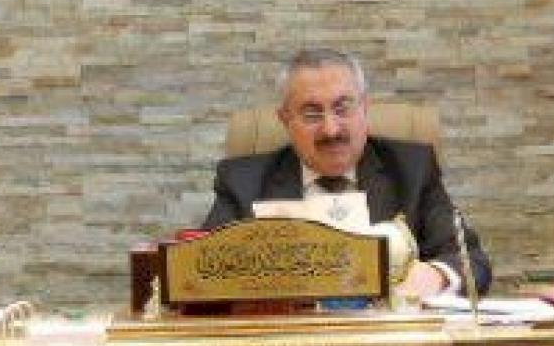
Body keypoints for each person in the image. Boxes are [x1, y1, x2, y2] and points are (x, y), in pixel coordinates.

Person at [202, 47, 492, 296]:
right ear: (285, 120)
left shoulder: (411, 169)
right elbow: (202, 269)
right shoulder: (243, 182)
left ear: (365, 109)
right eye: (312, 114)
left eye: (343, 108)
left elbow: (471, 261)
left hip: (385, 339)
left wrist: (434, 277)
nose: (331, 130)